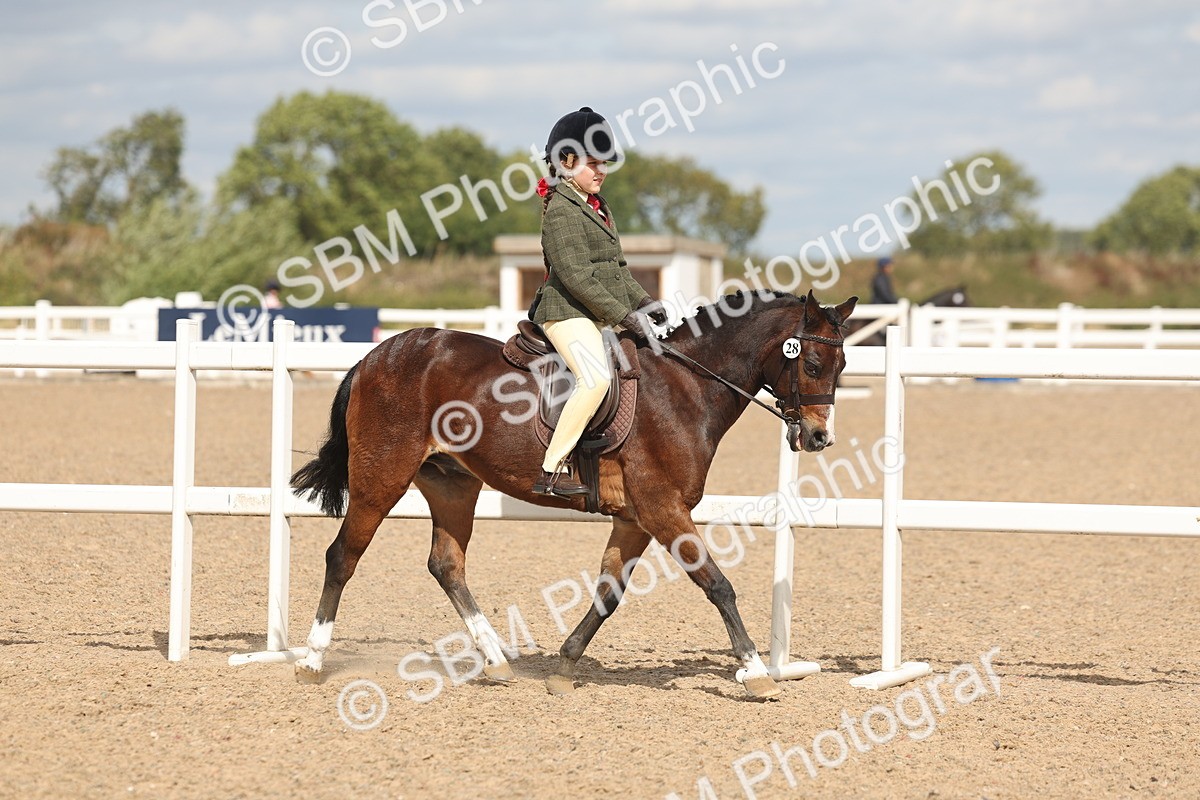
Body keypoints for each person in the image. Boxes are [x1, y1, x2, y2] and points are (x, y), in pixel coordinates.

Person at [529, 106, 666, 498]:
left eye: (604, 163)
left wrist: (644, 302)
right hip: (565, 313)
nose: (601, 171)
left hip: (592, 313)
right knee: (595, 379)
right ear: (566, 162)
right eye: (593, 163)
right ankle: (552, 470)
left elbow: (616, 268)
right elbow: (578, 278)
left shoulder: (598, 207)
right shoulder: (561, 210)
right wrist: (623, 315)